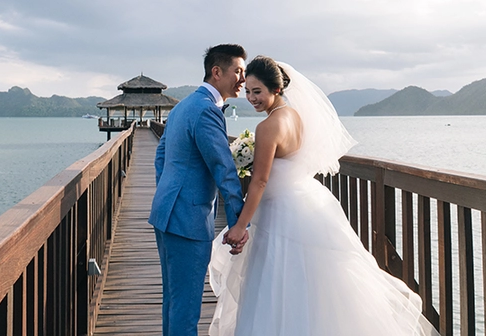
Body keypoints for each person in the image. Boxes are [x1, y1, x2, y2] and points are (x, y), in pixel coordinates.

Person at [208, 56, 439, 336]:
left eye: (258, 92)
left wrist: (241, 225)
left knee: (277, 285)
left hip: (280, 212)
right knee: (312, 287)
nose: (251, 98)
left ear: (276, 89)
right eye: (248, 91)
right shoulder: (295, 117)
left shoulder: (267, 127)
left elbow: (259, 181)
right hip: (306, 204)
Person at [149, 44, 250, 336]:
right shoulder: (206, 111)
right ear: (217, 72)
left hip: (166, 214)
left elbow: (161, 157)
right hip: (188, 220)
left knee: (173, 300)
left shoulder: (183, 105)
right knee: (186, 306)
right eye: (238, 71)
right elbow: (224, 169)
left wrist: (168, 196)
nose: (242, 79)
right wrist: (238, 223)